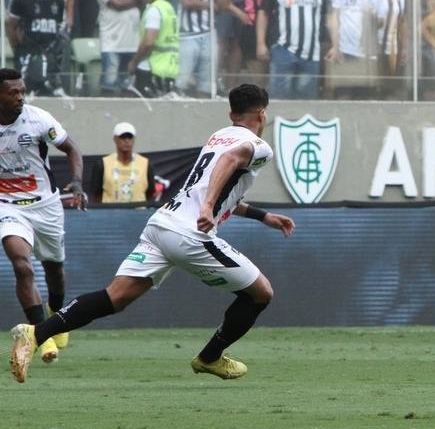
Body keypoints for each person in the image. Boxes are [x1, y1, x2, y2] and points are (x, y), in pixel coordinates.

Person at [11, 84, 295, 384]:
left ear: (230, 113)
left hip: (162, 224)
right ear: (263, 114)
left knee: (116, 297)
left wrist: (263, 216)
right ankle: (210, 357)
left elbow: (221, 189)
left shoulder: (218, 137)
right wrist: (208, 207)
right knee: (261, 293)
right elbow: (228, 165)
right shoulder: (258, 146)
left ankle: (35, 333)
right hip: (190, 235)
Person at [0, 68, 84, 370]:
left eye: (22, 90)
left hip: (46, 205)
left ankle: (56, 311)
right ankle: (41, 334)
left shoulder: (38, 119)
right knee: (21, 265)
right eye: (13, 92)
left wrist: (77, 182)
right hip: (8, 207)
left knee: (54, 269)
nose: (20, 97)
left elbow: (71, 148)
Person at [7, 0, 67, 98]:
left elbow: (60, 25)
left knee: (50, 94)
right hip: (28, 52)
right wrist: (16, 46)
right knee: (24, 92)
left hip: (51, 52)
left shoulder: (58, 0)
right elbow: (11, 26)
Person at [93, 0, 140, 94]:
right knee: (109, 83)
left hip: (132, 41)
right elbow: (116, 3)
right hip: (112, 42)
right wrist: (139, 1)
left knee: (128, 86)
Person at [128, 0, 179, 98]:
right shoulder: (169, 8)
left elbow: (149, 42)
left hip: (150, 68)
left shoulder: (154, 10)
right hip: (168, 68)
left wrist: (134, 62)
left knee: (142, 111)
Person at [89, 121, 159, 203]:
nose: (126, 141)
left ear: (134, 139)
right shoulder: (102, 164)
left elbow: (150, 193)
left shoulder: (145, 163)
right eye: (122, 137)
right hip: (110, 214)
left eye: (130, 137)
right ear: (115, 139)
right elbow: (96, 195)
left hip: (138, 214)